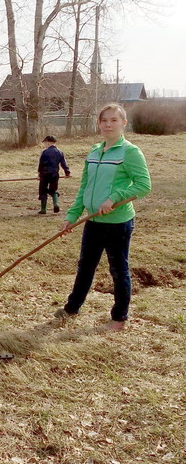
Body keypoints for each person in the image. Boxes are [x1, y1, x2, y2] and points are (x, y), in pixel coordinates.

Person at [54, 103, 151, 331]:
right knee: (85, 266)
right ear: (99, 123)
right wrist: (72, 215)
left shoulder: (130, 152)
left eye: (114, 120)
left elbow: (144, 185)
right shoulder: (95, 151)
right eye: (104, 120)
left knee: (118, 269)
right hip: (93, 221)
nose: (108, 124)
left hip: (118, 223)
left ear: (123, 123)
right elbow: (84, 186)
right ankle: (72, 308)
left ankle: (119, 318)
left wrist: (115, 197)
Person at [37, 135, 70, 214]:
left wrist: (39, 174)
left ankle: (43, 209)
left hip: (44, 174)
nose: (45, 144)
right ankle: (56, 204)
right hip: (54, 174)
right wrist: (67, 172)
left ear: (49, 142)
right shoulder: (60, 152)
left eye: (45, 142)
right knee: (53, 190)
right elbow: (63, 163)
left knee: (43, 190)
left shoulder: (44, 152)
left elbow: (41, 164)